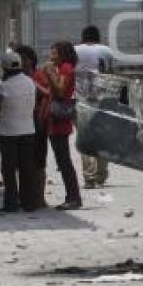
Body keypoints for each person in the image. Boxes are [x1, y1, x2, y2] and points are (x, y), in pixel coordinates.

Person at [0, 52, 38, 213]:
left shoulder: (4, 86)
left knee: (9, 169)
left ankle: (11, 203)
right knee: (27, 167)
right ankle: (29, 202)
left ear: (5, 67)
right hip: (28, 130)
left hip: (8, 132)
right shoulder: (30, 82)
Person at [44, 41, 82, 210]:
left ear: (63, 54)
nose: (51, 57)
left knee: (64, 161)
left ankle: (73, 198)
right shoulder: (61, 68)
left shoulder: (66, 68)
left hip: (61, 122)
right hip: (54, 121)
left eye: (54, 54)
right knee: (62, 161)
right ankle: (72, 197)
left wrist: (50, 72)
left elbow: (60, 90)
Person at [74, 26, 112, 189]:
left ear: (83, 38)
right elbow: (112, 75)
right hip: (102, 99)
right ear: (98, 38)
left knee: (84, 137)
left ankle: (89, 176)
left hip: (80, 100)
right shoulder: (107, 51)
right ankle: (101, 175)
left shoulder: (75, 50)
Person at [14, 45, 50, 209]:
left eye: (24, 59)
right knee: (23, 163)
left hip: (38, 123)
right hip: (20, 125)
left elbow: (46, 95)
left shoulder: (38, 76)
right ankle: (25, 197)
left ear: (31, 60)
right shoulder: (14, 78)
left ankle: (39, 198)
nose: (21, 63)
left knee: (38, 162)